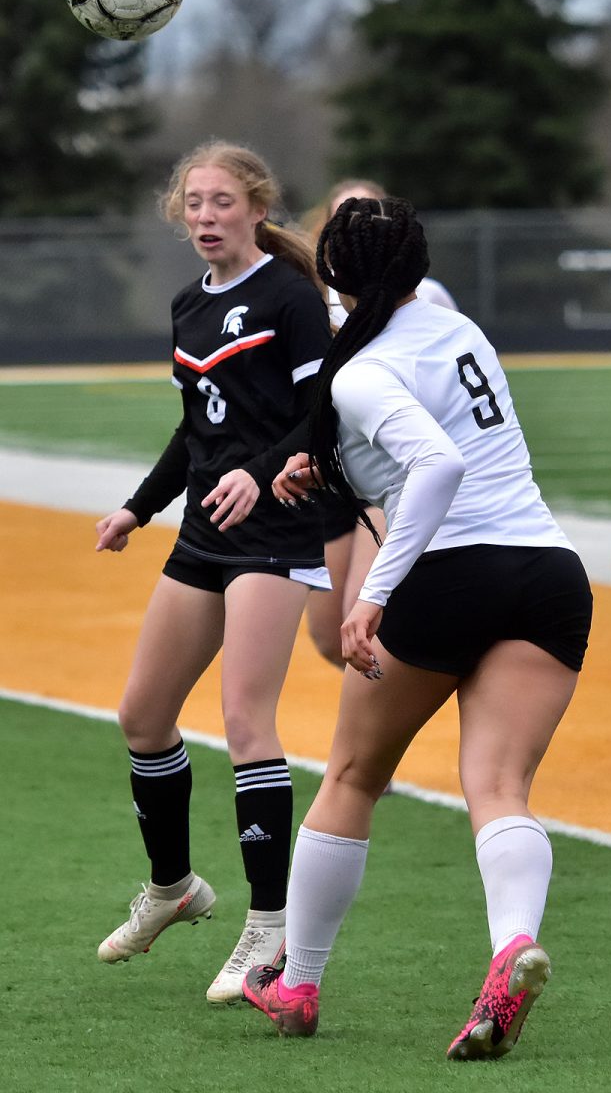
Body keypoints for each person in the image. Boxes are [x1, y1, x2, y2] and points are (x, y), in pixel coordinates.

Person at [242, 196, 593, 1061]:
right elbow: (405, 444)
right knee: (500, 786)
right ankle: (512, 948)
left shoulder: (358, 368)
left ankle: (299, 983)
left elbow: (436, 464)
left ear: (333, 277)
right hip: (547, 573)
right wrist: (319, 468)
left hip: (448, 574)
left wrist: (371, 597)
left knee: (354, 777)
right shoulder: (456, 325)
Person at [94, 141, 333, 1005]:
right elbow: (192, 432)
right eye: (193, 202)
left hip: (279, 526)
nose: (205, 216)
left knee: (244, 718)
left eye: (222, 201)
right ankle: (174, 889)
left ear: (257, 207)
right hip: (204, 529)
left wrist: (262, 468)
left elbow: (324, 414)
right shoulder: (188, 305)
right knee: (144, 714)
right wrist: (137, 507)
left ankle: (269, 926)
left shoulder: (293, 297)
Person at [304, 178, 459, 669]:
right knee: (328, 637)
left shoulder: (424, 295)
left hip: (390, 466)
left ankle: (384, 714)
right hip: (333, 468)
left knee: (365, 611)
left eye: (364, 207)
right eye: (342, 211)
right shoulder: (317, 292)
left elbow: (448, 370)